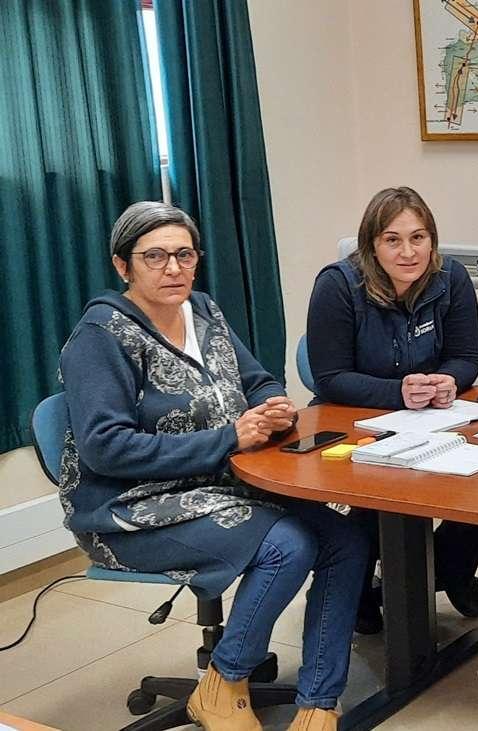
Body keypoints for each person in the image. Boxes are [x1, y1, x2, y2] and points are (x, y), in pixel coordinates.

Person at [59, 202, 366, 731]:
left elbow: (257, 380)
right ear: (122, 265)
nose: (173, 268)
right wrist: (229, 437)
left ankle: (319, 699)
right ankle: (223, 683)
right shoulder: (101, 336)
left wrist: (273, 405)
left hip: (223, 483)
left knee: (348, 538)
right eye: (155, 256)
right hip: (130, 509)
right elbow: (105, 448)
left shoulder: (202, 310)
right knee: (288, 544)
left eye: (184, 255)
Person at [306, 187, 478, 630]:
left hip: (430, 416)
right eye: (393, 240)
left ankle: (447, 570)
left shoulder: (451, 278)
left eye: (418, 238)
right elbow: (330, 377)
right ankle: (363, 586)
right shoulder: (338, 286)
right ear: (372, 245)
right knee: (380, 488)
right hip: (353, 417)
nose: (408, 252)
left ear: (432, 240)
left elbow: (466, 357)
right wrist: (397, 393)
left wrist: (450, 380)